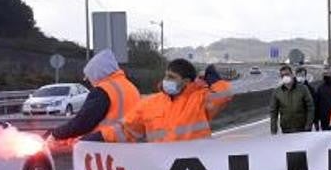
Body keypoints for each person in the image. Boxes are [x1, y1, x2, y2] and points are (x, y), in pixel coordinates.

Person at [94, 59, 232, 143]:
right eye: (166, 76)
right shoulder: (150, 103)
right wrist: (98, 137)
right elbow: (126, 131)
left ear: (186, 81)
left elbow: (224, 95)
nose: (166, 80)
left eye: (172, 77)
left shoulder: (200, 99)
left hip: (196, 168)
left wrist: (215, 80)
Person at [48, 49, 141, 143]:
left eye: (89, 77)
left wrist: (56, 134)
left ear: (96, 73)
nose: (90, 82)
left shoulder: (103, 90)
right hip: (130, 145)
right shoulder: (131, 87)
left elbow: (82, 123)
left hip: (104, 147)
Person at [270, 64, 314, 134]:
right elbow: (273, 112)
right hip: (286, 129)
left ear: (292, 74)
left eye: (287, 74)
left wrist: (308, 126)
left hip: (302, 128)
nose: (285, 77)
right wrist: (273, 130)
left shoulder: (303, 89)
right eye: (282, 76)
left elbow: (310, 108)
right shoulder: (277, 92)